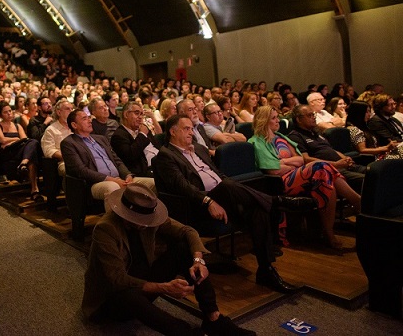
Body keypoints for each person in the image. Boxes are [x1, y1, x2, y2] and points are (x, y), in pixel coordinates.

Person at [153, 114, 311, 292]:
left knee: (257, 209)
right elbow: (184, 188)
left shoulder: (199, 149)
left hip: (222, 198)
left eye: (192, 128)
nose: (191, 132)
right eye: (186, 129)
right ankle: (278, 201)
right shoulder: (165, 156)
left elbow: (219, 175)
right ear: (173, 132)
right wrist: (208, 201)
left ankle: (266, 271)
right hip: (196, 206)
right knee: (228, 186)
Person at [82, 183, 255, 336]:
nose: (146, 224)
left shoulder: (149, 217)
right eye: (140, 220)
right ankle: (185, 333)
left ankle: (213, 318)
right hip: (110, 300)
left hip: (140, 282)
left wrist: (198, 261)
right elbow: (117, 280)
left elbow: (188, 231)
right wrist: (164, 287)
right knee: (129, 294)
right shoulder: (106, 229)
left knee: (183, 249)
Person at [249, 106, 362, 250]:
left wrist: (283, 161)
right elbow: (273, 170)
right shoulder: (257, 142)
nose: (278, 121)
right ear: (264, 120)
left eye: (277, 117)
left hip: (299, 175)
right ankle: (355, 201)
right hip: (280, 182)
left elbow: (301, 159)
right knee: (321, 166)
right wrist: (291, 164)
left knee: (326, 180)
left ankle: (329, 233)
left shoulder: (281, 137)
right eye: (274, 118)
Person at [61, 109, 156, 209]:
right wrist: (111, 179)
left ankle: (150, 217)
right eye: (84, 119)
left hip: (120, 178)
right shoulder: (69, 143)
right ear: (74, 125)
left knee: (153, 184)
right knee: (113, 187)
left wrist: (127, 175)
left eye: (89, 118)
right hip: (96, 182)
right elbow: (81, 170)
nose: (89, 121)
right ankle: (115, 219)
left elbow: (117, 160)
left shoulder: (101, 139)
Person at [288, 104, 366, 193]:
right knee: (368, 179)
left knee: (375, 171)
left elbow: (330, 150)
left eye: (313, 114)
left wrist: (346, 159)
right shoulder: (295, 136)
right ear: (298, 119)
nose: (314, 117)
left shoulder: (316, 133)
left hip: (344, 166)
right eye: (309, 115)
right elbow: (306, 159)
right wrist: (335, 164)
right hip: (331, 171)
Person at [0, 102, 42, 201]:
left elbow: (24, 139)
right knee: (32, 147)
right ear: (0, 115)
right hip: (7, 153)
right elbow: (2, 140)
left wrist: (15, 140)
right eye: (5, 112)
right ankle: (34, 188)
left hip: (19, 151)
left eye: (10, 111)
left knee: (33, 144)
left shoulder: (17, 125)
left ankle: (34, 189)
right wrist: (16, 139)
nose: (9, 113)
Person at [110, 101, 159, 177]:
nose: (140, 117)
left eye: (141, 114)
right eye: (137, 113)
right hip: (145, 171)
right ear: (126, 114)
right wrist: (142, 135)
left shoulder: (144, 129)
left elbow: (157, 147)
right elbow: (130, 156)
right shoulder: (119, 135)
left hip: (160, 164)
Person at [40, 98, 73, 175]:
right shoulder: (51, 130)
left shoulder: (76, 127)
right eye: (67, 109)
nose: (71, 111)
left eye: (72, 109)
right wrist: (68, 157)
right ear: (59, 112)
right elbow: (49, 150)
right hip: (64, 162)